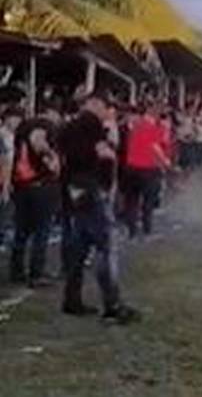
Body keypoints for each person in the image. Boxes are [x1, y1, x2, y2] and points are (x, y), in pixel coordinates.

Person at [60, 94, 139, 323]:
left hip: (74, 189)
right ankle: (112, 306)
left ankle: (72, 299)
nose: (109, 112)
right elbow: (101, 155)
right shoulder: (91, 125)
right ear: (95, 105)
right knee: (106, 245)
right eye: (107, 107)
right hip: (91, 188)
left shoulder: (67, 127)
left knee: (80, 247)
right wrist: (106, 151)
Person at [10, 105, 61, 288]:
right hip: (40, 186)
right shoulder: (44, 125)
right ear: (51, 113)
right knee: (42, 231)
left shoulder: (22, 127)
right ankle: (36, 273)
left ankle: (16, 270)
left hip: (21, 185)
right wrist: (52, 161)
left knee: (21, 231)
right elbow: (38, 141)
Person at [123, 103, 171, 239]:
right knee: (148, 201)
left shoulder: (135, 126)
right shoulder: (155, 128)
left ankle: (131, 230)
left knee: (132, 200)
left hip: (131, 167)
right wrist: (165, 162)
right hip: (148, 169)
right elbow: (157, 147)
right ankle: (146, 228)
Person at [0, 108, 22, 253]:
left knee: (6, 209)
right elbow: (5, 161)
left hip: (13, 176)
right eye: (14, 118)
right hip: (4, 176)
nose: (17, 122)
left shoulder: (18, 136)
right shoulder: (1, 135)